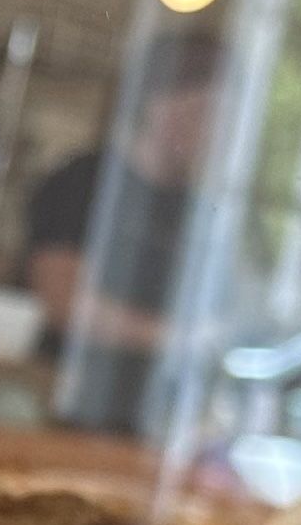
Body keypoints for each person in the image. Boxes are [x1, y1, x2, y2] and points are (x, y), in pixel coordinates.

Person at [24, 27, 223, 433]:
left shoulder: (205, 212)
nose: (208, 130)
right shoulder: (83, 180)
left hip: (155, 423)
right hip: (63, 409)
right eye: (199, 111)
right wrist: (175, 339)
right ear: (156, 102)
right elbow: (64, 302)